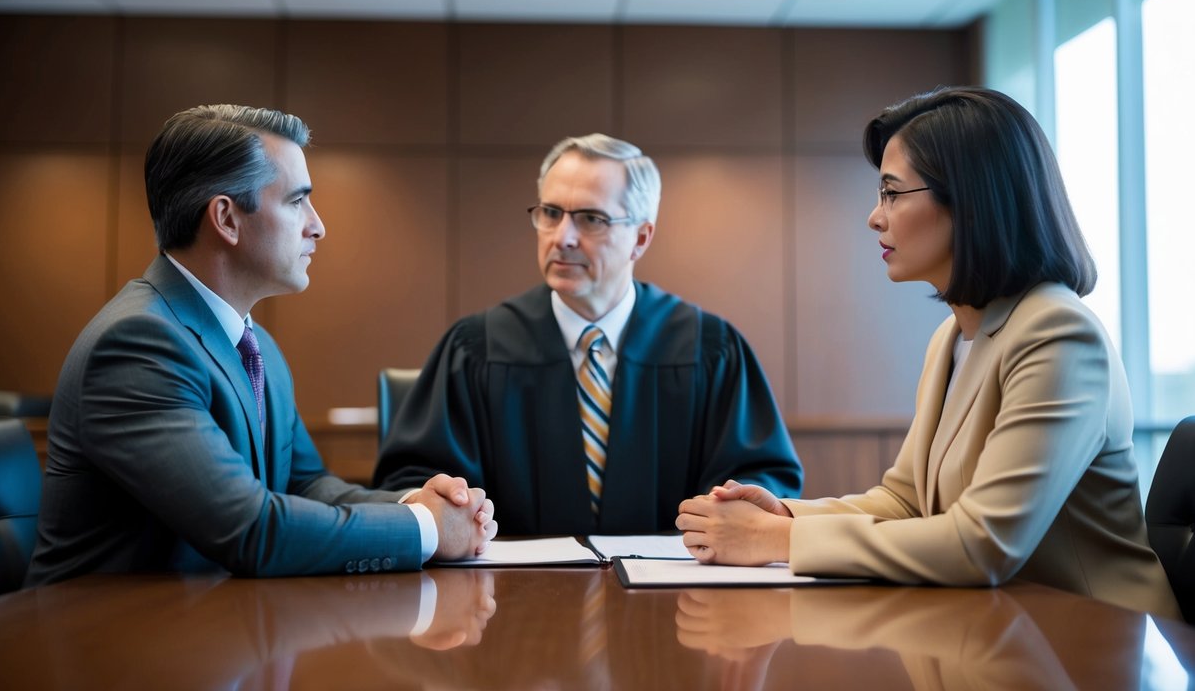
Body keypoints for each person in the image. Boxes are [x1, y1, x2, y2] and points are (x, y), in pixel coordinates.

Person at [676, 86, 1180, 618]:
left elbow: (984, 544)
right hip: (1012, 630)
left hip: (1101, 640)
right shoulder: (954, 336)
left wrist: (775, 541)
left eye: (892, 193)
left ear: (970, 200)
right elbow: (906, 503)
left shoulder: (1057, 332)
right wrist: (785, 514)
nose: (875, 217)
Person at [26, 104, 496, 586]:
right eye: (297, 201)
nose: (318, 226)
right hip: (105, 643)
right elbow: (250, 529)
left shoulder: (256, 346)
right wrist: (426, 530)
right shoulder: (137, 344)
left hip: (211, 636)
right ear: (227, 219)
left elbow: (305, 484)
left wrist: (416, 504)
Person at [374, 133, 802, 535]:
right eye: (551, 213)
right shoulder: (475, 347)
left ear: (640, 236)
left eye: (591, 218)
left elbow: (762, 478)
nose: (564, 237)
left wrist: (733, 508)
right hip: (503, 599)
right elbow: (413, 480)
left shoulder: (709, 348)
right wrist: (443, 503)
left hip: (677, 600)